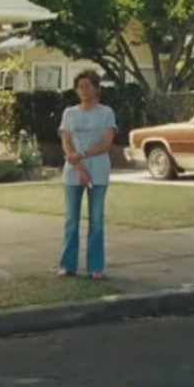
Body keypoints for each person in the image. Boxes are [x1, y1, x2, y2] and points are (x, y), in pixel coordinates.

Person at [56, 69, 118, 280]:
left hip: (98, 171)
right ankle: (68, 264)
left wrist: (83, 154)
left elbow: (107, 144)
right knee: (72, 219)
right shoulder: (70, 113)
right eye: (80, 87)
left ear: (96, 89)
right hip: (74, 172)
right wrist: (78, 163)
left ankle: (96, 266)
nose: (83, 90)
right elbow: (66, 141)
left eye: (87, 86)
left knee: (96, 220)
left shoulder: (106, 113)